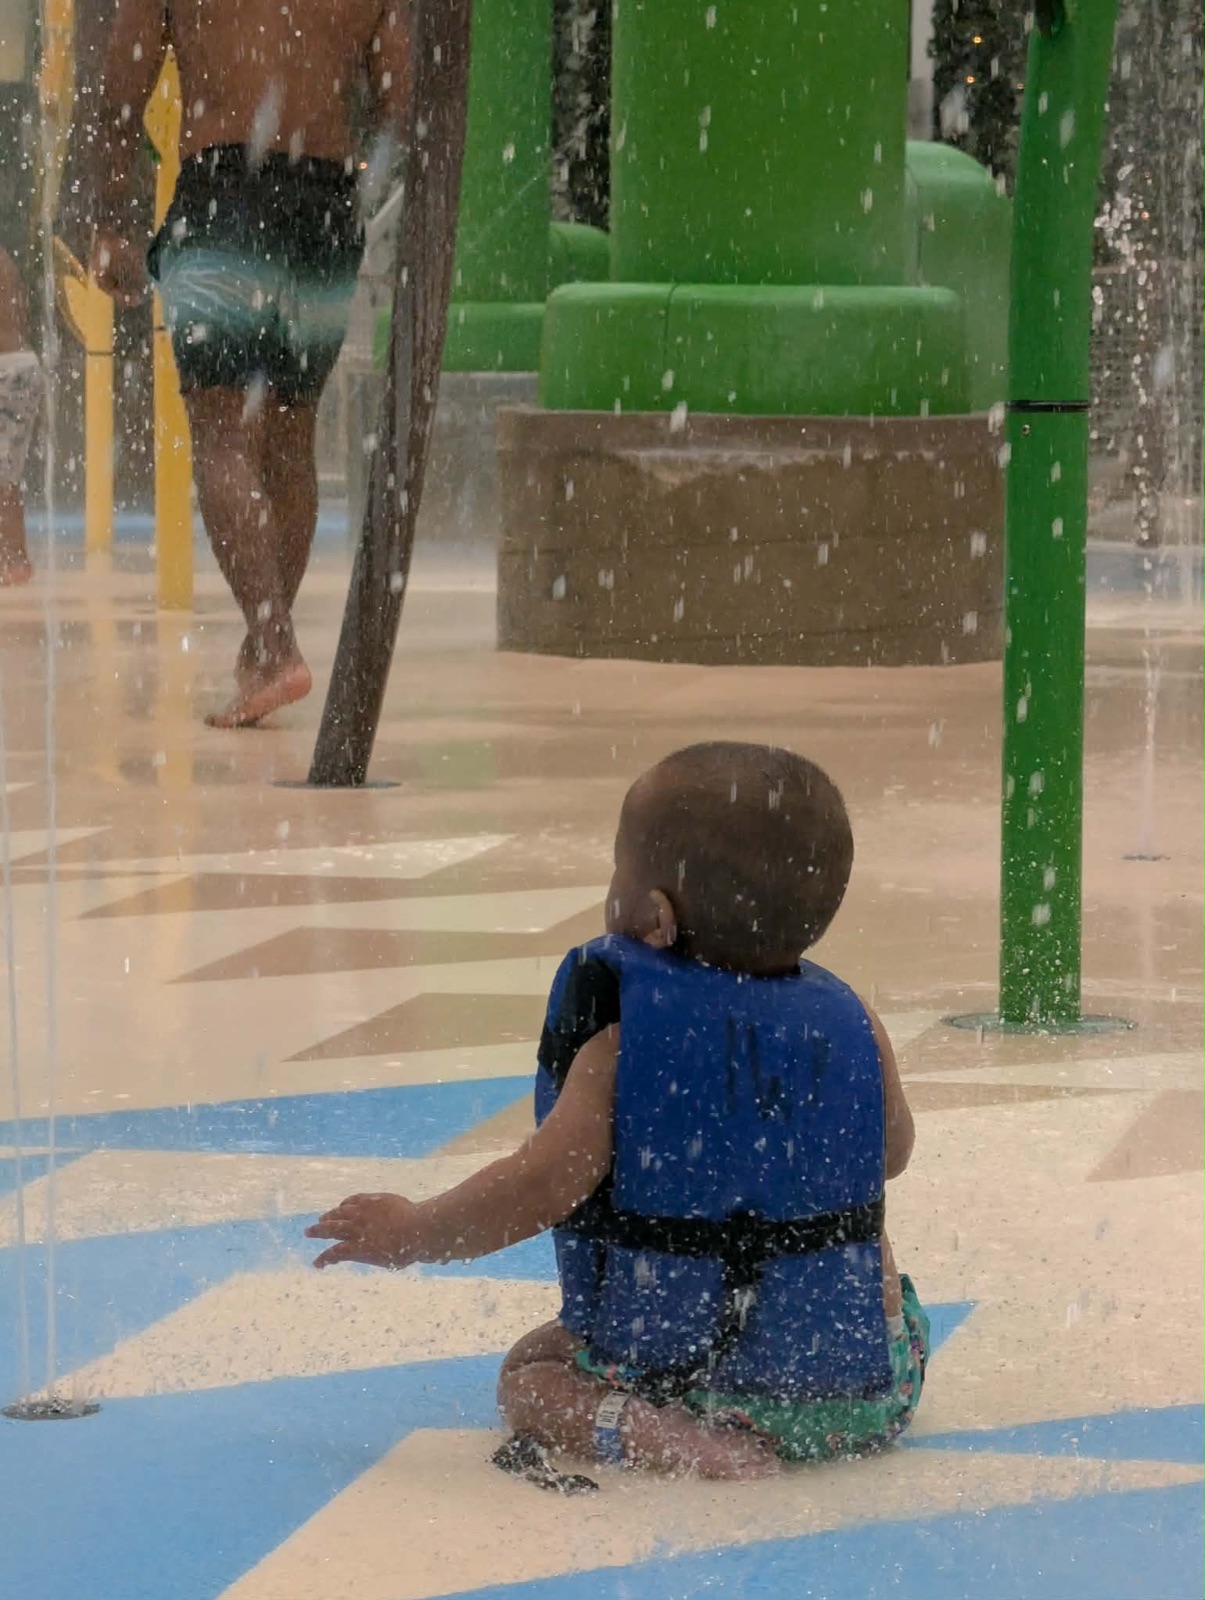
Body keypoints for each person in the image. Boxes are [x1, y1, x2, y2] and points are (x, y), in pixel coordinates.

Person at [308, 742, 928, 1482]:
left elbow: (536, 1189)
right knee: (881, 1287)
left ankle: (661, 1437)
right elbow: (888, 1154)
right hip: (860, 1388)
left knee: (531, 1371)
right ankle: (816, 1400)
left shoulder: (623, 1050)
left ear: (655, 918)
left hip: (689, 1382)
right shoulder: (851, 1019)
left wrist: (416, 1232)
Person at [89, 0, 411, 727]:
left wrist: (113, 217)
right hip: (326, 205)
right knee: (292, 437)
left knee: (222, 431)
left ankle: (271, 644)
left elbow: (117, 94)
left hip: (225, 193)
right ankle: (269, 640)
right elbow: (404, 100)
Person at [0, 247, 41, 586]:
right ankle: (15, 557)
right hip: (24, 366)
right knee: (6, 473)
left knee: (3, 474)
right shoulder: (6, 259)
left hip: (5, 369)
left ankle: (14, 559)